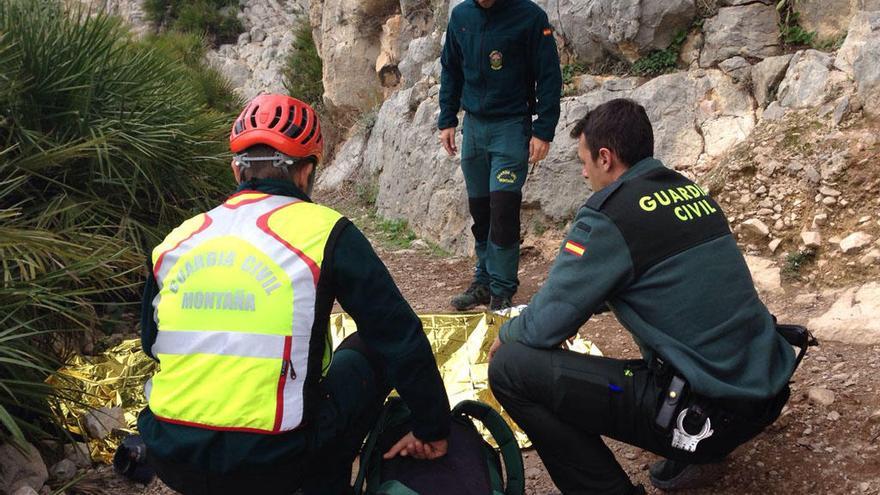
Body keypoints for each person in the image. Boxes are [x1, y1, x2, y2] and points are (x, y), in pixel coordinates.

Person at [137, 94, 450, 495]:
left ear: (236, 170)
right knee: (373, 346)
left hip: (171, 453)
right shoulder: (327, 232)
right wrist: (432, 428)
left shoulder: (178, 239)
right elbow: (399, 336)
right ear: (306, 173)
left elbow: (152, 344)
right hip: (275, 461)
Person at [487, 98, 796, 494]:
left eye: (584, 164)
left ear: (605, 158)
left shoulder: (608, 215)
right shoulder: (691, 193)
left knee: (511, 368)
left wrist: (511, 332)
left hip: (707, 412)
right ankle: (698, 450)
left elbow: (544, 325)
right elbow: (664, 285)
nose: (584, 174)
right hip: (763, 393)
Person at [439, 0, 562, 311]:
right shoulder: (461, 16)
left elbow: (549, 76)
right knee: (481, 212)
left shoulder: (530, 17)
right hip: (474, 127)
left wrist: (544, 129)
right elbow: (451, 69)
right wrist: (447, 119)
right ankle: (483, 282)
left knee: (503, 209)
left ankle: (502, 290)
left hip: (511, 126)